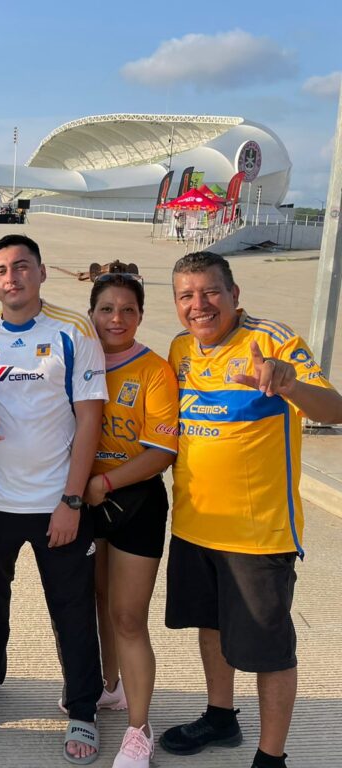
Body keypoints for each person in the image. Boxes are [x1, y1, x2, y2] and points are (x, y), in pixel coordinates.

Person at [159, 252, 342, 768]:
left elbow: (334, 409)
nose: (200, 305)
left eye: (211, 291)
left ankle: (271, 757)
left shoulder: (272, 341)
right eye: (187, 295)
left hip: (258, 534)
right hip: (194, 525)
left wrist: (287, 383)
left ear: (235, 295)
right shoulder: (180, 349)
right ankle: (220, 717)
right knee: (211, 626)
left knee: (269, 650)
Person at [0, 234, 106, 764]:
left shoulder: (72, 331)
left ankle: (82, 708)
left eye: (22, 267)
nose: (11, 277)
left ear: (41, 273)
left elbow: (90, 420)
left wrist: (71, 500)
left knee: (71, 611)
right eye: (1, 269)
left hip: (56, 504)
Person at [81, 273, 179, 768]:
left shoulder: (156, 371)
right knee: (99, 600)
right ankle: (109, 686)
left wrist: (108, 482)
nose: (116, 319)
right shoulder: (79, 360)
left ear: (140, 316)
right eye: (106, 309)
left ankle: (139, 730)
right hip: (84, 501)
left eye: (127, 310)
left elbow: (162, 450)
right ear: (91, 311)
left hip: (133, 503)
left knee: (128, 616)